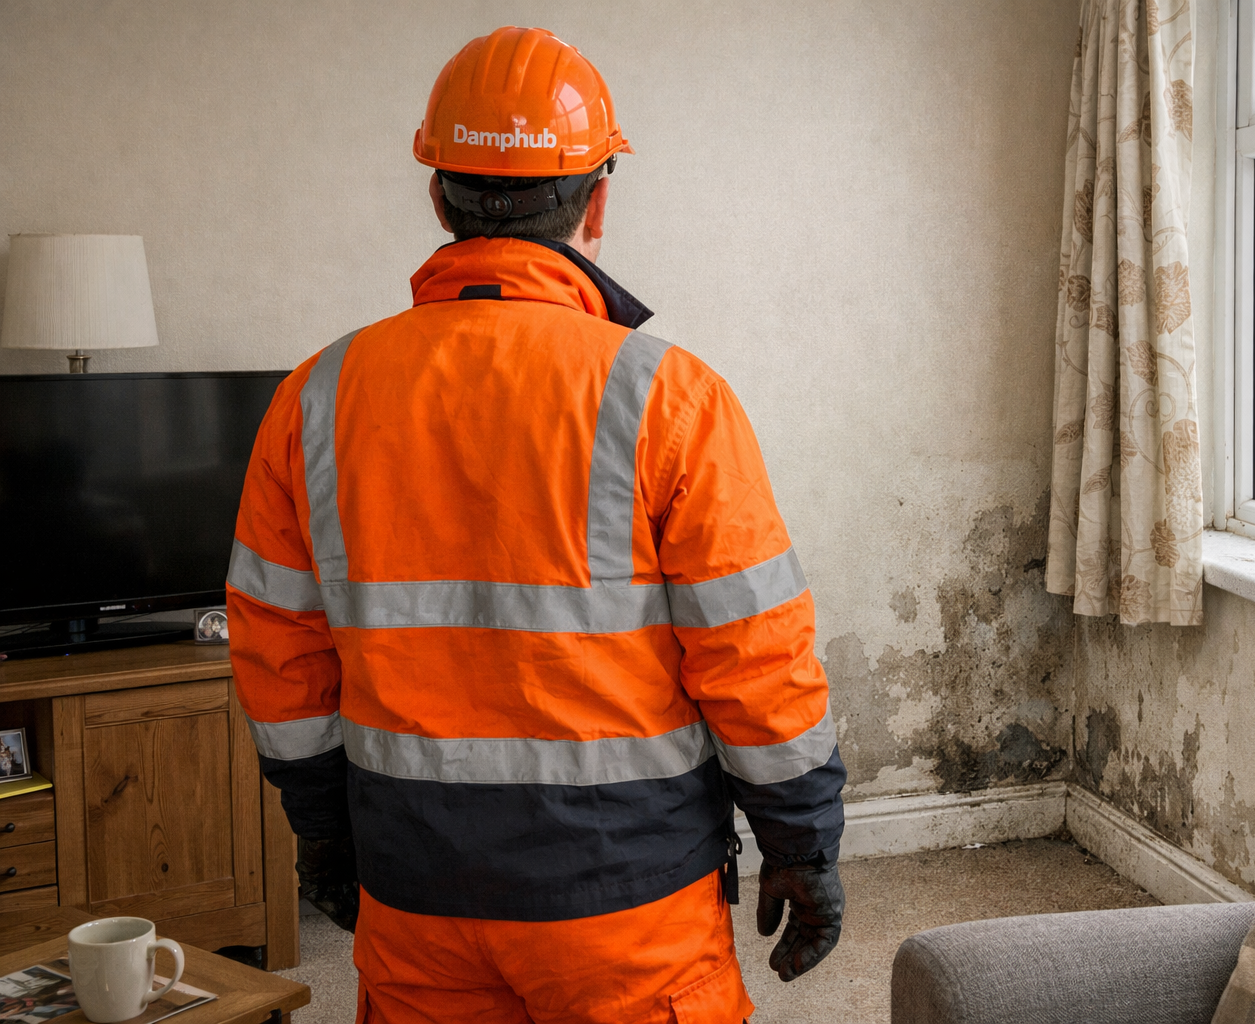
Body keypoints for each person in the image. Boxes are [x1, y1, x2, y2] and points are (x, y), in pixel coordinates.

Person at [226, 25, 846, 1024]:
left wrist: (327, 841)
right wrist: (803, 845)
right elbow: (756, 658)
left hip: (416, 888)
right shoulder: (669, 400)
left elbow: (279, 662)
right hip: (627, 907)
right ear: (598, 199)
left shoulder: (314, 398)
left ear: (437, 197)